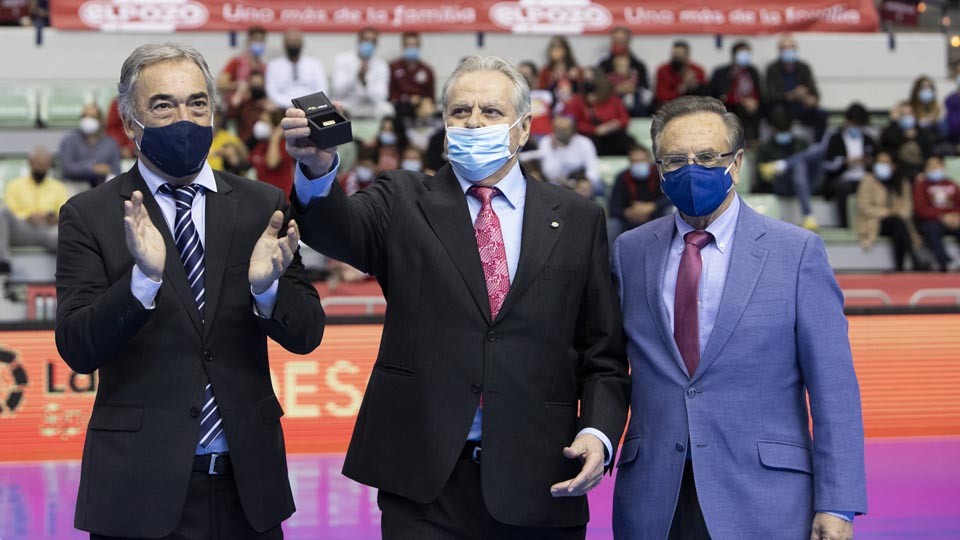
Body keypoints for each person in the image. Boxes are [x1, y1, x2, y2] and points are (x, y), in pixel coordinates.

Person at [282, 55, 630, 539]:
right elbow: (338, 229)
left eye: (490, 111)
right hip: (424, 481)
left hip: (541, 477)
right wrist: (318, 170)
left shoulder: (576, 217)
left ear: (524, 128)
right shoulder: (401, 198)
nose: (473, 121)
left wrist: (597, 431)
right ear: (444, 126)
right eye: (460, 111)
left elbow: (603, 353)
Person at [55, 42, 325, 540]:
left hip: (248, 491)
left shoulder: (262, 204)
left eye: (198, 103)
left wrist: (267, 292)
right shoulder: (89, 215)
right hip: (138, 490)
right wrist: (142, 282)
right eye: (164, 105)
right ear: (131, 123)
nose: (186, 117)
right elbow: (77, 347)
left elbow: (307, 333)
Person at [611, 95, 867, 540]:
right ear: (659, 169)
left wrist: (837, 503)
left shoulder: (797, 252)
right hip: (654, 501)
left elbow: (834, 387)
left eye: (708, 157)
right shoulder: (629, 251)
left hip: (765, 499)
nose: (691, 169)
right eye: (675, 160)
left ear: (738, 162)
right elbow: (608, 364)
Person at [755, 107, 824, 230]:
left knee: (815, 151)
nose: (783, 133)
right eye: (780, 130)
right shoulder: (766, 148)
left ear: (791, 128)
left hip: (805, 185)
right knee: (799, 165)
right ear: (773, 129)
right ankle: (808, 215)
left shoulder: (800, 143)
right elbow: (761, 175)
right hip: (781, 185)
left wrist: (781, 166)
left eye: (785, 130)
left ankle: (783, 164)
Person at [855, 151, 925, 272]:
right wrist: (887, 212)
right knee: (897, 223)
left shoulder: (901, 182)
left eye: (886, 162)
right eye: (880, 162)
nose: (883, 165)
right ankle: (913, 259)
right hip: (874, 221)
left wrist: (897, 213)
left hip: (898, 220)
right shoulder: (868, 180)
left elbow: (907, 205)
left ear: (894, 165)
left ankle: (900, 267)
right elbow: (864, 207)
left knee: (898, 226)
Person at [0, 146, 65, 268]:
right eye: (39, 164)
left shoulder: (58, 187)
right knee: (2, 212)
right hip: (23, 229)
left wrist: (52, 218)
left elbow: (65, 214)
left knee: (69, 234)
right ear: (30, 162)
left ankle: (77, 274)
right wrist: (27, 217)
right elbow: (10, 210)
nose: (42, 168)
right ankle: (3, 264)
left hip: (48, 230)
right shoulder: (14, 185)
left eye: (45, 165)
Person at [765, 33, 828, 142]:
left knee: (821, 114)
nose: (788, 51)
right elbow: (771, 95)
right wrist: (791, 95)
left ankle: (819, 146)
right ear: (779, 50)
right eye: (785, 48)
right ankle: (779, 147)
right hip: (783, 107)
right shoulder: (773, 69)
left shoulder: (804, 68)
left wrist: (809, 99)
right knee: (777, 111)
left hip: (801, 107)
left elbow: (815, 94)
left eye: (791, 48)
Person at [824, 102, 877, 228]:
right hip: (843, 178)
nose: (856, 128)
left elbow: (876, 160)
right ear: (847, 121)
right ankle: (845, 225)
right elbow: (827, 165)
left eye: (860, 125)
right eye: (854, 124)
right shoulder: (835, 139)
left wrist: (869, 162)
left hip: (864, 177)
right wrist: (845, 162)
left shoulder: (868, 140)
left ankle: (872, 224)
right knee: (843, 188)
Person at [565, 67, 634, 156]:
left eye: (591, 78)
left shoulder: (612, 99)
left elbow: (625, 118)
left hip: (613, 135)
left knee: (627, 141)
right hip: (589, 138)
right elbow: (573, 123)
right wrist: (595, 130)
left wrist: (614, 124)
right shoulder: (576, 101)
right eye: (585, 78)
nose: (588, 81)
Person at [608, 143, 670, 239]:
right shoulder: (622, 177)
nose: (638, 164)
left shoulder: (659, 174)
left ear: (649, 160)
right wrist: (628, 212)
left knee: (670, 213)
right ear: (629, 163)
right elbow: (613, 207)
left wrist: (652, 206)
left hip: (656, 217)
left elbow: (670, 197)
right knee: (613, 225)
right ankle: (612, 254)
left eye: (642, 161)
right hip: (629, 220)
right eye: (635, 161)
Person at [331, 27, 393, 119]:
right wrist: (356, 75)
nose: (368, 44)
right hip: (349, 103)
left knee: (388, 109)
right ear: (359, 41)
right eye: (366, 40)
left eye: (372, 41)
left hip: (370, 105)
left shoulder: (381, 65)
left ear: (376, 44)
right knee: (335, 107)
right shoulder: (343, 59)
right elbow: (338, 91)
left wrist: (365, 82)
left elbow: (381, 96)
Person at [531, 114, 602, 195]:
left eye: (564, 129)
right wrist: (556, 150)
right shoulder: (546, 142)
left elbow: (593, 169)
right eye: (557, 129)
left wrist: (587, 182)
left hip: (579, 184)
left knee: (585, 187)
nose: (560, 133)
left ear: (573, 130)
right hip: (554, 187)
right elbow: (549, 172)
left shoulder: (584, 143)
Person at [709, 41, 763, 143]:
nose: (745, 56)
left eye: (747, 53)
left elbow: (758, 92)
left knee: (758, 110)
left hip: (752, 105)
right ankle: (741, 142)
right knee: (740, 110)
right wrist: (742, 101)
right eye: (742, 53)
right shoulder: (723, 72)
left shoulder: (752, 71)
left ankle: (755, 141)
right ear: (734, 55)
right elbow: (721, 95)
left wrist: (754, 102)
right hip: (732, 105)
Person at [914, 156, 960, 272]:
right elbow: (921, 209)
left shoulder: (951, 184)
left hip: (954, 218)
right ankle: (945, 262)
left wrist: (955, 215)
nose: (934, 169)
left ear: (943, 168)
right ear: (925, 170)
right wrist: (942, 216)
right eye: (931, 166)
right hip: (933, 220)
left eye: (937, 166)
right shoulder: (921, 186)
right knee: (931, 229)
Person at [59, 103, 121, 188]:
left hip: (102, 186)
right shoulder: (69, 140)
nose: (87, 120)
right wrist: (93, 168)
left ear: (100, 120)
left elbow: (116, 171)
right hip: (75, 185)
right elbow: (67, 169)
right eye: (84, 116)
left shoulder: (110, 143)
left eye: (92, 117)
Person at [265, 28, 328, 109]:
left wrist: (306, 105)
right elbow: (272, 91)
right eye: (289, 41)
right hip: (283, 108)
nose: (293, 44)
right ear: (284, 43)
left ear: (302, 43)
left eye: (296, 41)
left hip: (312, 107)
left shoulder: (314, 65)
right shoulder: (273, 66)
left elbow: (322, 89)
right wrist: (290, 104)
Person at [596, 26, 650, 117]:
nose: (619, 44)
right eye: (616, 41)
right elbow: (597, 88)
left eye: (622, 41)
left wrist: (633, 89)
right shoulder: (603, 65)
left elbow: (645, 88)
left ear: (628, 42)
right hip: (609, 105)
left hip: (634, 106)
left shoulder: (638, 65)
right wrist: (614, 90)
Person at [880, 100, 934, 183]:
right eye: (903, 114)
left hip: (921, 177)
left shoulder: (923, 135)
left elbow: (930, 156)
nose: (907, 117)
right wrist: (893, 122)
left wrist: (924, 172)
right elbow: (888, 147)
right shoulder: (892, 133)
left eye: (909, 113)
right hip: (898, 178)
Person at [249, 108, 296, 197]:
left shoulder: (284, 145)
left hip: (282, 198)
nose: (259, 125)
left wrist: (275, 136)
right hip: (264, 198)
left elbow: (272, 163)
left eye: (264, 122)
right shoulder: (260, 146)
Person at [388, 32, 435, 118]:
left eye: (414, 45)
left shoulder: (427, 70)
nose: (411, 48)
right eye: (409, 45)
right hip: (399, 105)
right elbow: (390, 94)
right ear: (403, 47)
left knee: (430, 110)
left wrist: (421, 101)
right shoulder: (393, 67)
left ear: (419, 47)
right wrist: (407, 99)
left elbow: (430, 97)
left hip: (420, 106)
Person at [217, 26, 268, 107]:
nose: (258, 43)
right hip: (235, 109)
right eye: (256, 39)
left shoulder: (264, 68)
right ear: (248, 41)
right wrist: (237, 85)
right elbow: (220, 84)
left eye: (261, 41)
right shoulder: (236, 62)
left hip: (256, 108)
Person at [653, 40, 706, 110]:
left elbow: (704, 98)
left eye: (680, 56)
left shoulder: (697, 71)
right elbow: (661, 96)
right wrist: (683, 87)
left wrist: (695, 87)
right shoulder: (663, 71)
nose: (677, 59)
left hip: (693, 109)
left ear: (687, 56)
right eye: (675, 56)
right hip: (668, 109)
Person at [227, 70, 272, 146]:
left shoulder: (268, 103)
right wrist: (240, 91)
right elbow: (230, 112)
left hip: (266, 143)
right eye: (254, 85)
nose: (256, 88)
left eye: (258, 84)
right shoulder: (245, 104)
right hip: (246, 143)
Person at [538, 35, 582, 108]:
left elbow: (581, 91)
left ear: (566, 50)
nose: (555, 50)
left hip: (572, 107)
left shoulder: (576, 69)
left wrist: (573, 79)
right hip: (552, 106)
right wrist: (552, 81)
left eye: (559, 47)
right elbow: (541, 91)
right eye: (552, 47)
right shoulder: (545, 71)